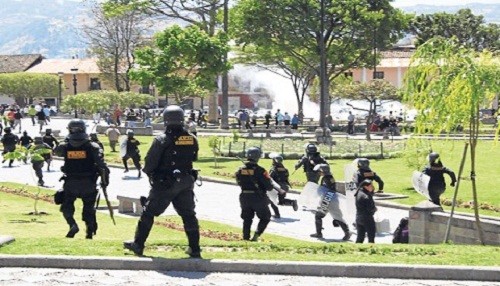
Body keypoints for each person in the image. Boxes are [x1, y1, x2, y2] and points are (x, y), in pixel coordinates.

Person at [124, 105, 201, 258]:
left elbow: (150, 164)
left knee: (148, 212)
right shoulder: (192, 138)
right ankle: (195, 248)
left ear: (166, 120)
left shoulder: (162, 139)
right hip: (186, 181)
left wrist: (152, 174)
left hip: (165, 183)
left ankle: (138, 245)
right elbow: (194, 158)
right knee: (189, 215)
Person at [54, 119, 109, 239]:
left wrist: (66, 141)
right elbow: (103, 166)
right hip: (88, 183)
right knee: (89, 208)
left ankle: (72, 224)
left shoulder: (65, 145)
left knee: (67, 206)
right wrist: (105, 182)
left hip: (71, 182)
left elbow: (56, 152)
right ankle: (89, 233)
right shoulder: (92, 146)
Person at [235, 147, 284, 241]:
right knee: (266, 217)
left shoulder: (240, 170)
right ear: (258, 157)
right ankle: (256, 236)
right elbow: (269, 186)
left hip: (244, 196)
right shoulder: (261, 170)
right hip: (258, 197)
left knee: (247, 218)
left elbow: (239, 182)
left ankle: (245, 237)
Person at [309, 164, 351, 241]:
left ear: (323, 171)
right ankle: (347, 232)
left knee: (320, 216)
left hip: (328, 200)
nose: (319, 173)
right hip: (332, 199)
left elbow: (325, 190)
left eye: (319, 171)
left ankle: (319, 233)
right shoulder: (330, 177)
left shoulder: (326, 179)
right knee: (336, 217)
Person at [355, 179, 377, 243]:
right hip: (367, 218)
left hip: (359, 217)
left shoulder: (359, 192)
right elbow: (370, 208)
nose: (373, 187)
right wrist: (375, 209)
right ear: (366, 186)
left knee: (360, 237)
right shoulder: (366, 196)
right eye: (371, 185)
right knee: (371, 236)